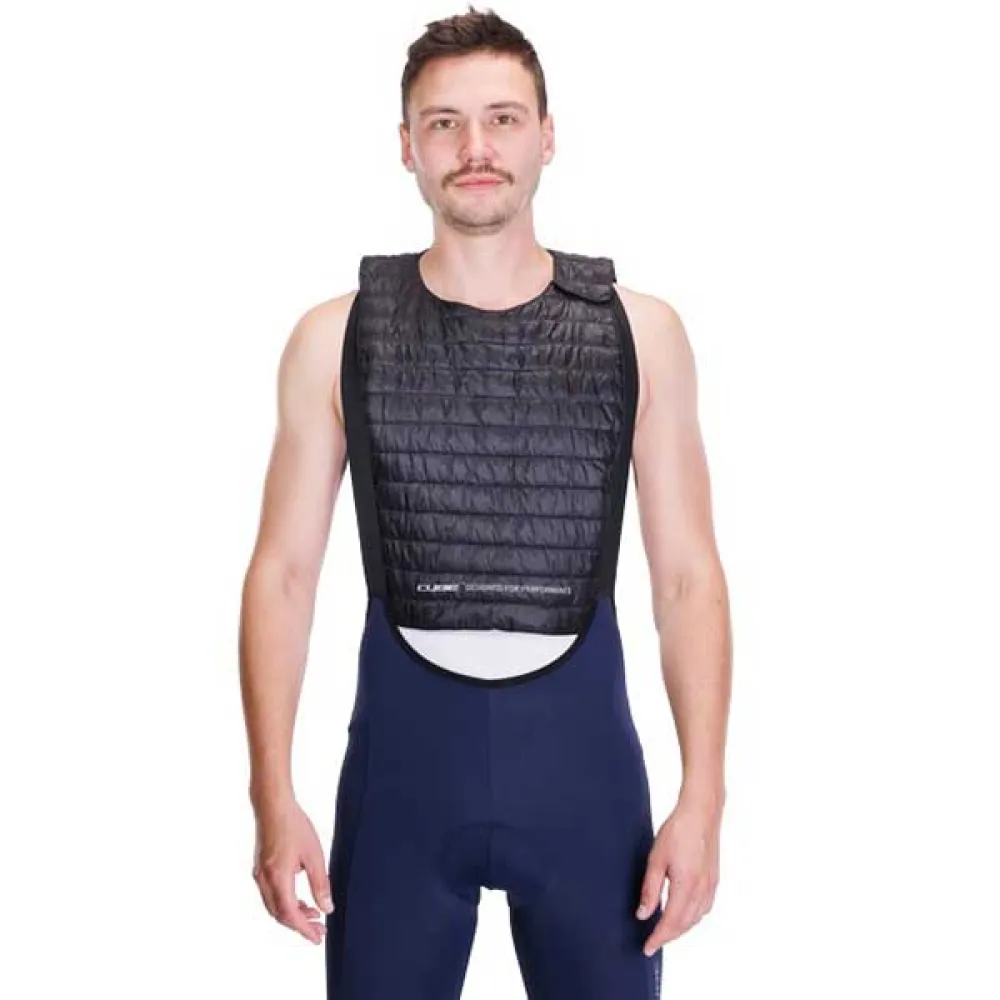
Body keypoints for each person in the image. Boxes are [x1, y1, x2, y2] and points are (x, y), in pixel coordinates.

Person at [239, 8, 731, 998]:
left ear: (547, 136)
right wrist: (271, 794)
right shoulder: (335, 337)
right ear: (407, 147)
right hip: (402, 781)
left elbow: (686, 579)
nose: (475, 147)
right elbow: (283, 575)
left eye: (502, 119)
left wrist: (704, 799)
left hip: (584, 778)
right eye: (444, 123)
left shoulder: (641, 333)